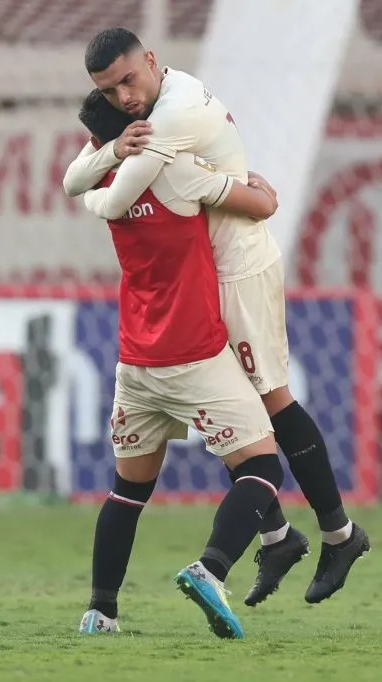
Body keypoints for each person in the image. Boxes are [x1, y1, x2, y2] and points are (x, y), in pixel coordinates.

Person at [65, 27, 369, 607]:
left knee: (272, 404)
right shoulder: (160, 103)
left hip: (240, 271)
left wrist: (101, 184)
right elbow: (87, 171)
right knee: (244, 424)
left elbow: (113, 196)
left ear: (151, 62)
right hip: (211, 277)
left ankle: (340, 534)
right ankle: (279, 537)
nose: (125, 97)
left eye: (129, 80)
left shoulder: (169, 124)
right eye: (111, 92)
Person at [73, 88, 287, 639]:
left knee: (128, 490)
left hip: (135, 361)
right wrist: (259, 184)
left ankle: (100, 612)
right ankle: (210, 570)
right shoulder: (178, 170)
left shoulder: (103, 178)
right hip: (193, 354)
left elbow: (81, 176)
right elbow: (259, 205)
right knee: (263, 467)